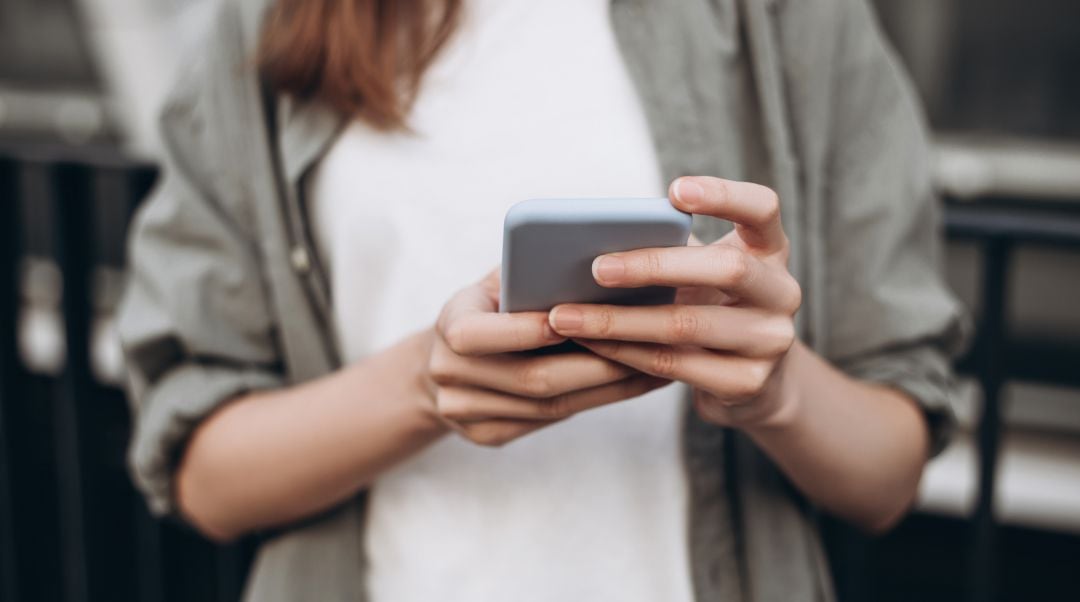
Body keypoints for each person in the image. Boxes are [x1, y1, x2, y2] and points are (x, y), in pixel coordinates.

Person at [118, 0, 967, 600]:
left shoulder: (789, 18)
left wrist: (778, 389)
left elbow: (885, 480)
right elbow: (204, 478)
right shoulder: (271, 21)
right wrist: (424, 385)